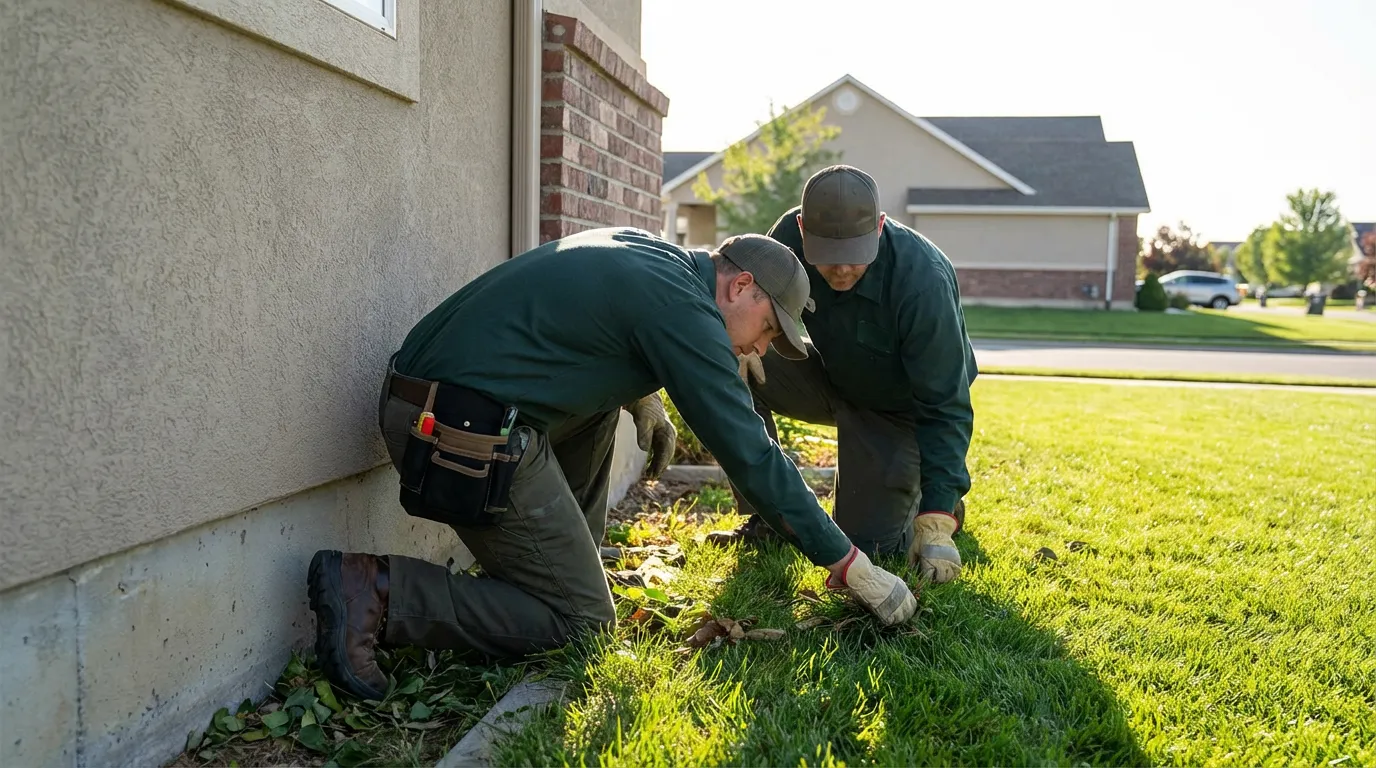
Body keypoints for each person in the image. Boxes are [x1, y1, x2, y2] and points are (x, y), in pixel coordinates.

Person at [307, 227, 918, 700]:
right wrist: (848, 562)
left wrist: (639, 392)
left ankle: (557, 575)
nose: (760, 348)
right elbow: (751, 455)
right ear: (739, 288)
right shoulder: (684, 311)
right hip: (453, 429)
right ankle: (376, 590)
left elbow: (582, 321)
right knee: (582, 625)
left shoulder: (658, 260)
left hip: (456, 406)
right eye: (766, 329)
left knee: (598, 414)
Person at [713, 165, 977, 585]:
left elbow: (945, 406)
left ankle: (932, 503)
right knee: (723, 369)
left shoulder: (922, 281)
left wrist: (938, 520)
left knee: (870, 548)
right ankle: (767, 519)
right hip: (832, 377)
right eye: (825, 255)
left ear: (880, 226)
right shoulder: (783, 241)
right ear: (801, 229)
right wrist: (728, 343)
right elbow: (742, 300)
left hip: (899, 408)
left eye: (854, 254)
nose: (840, 269)